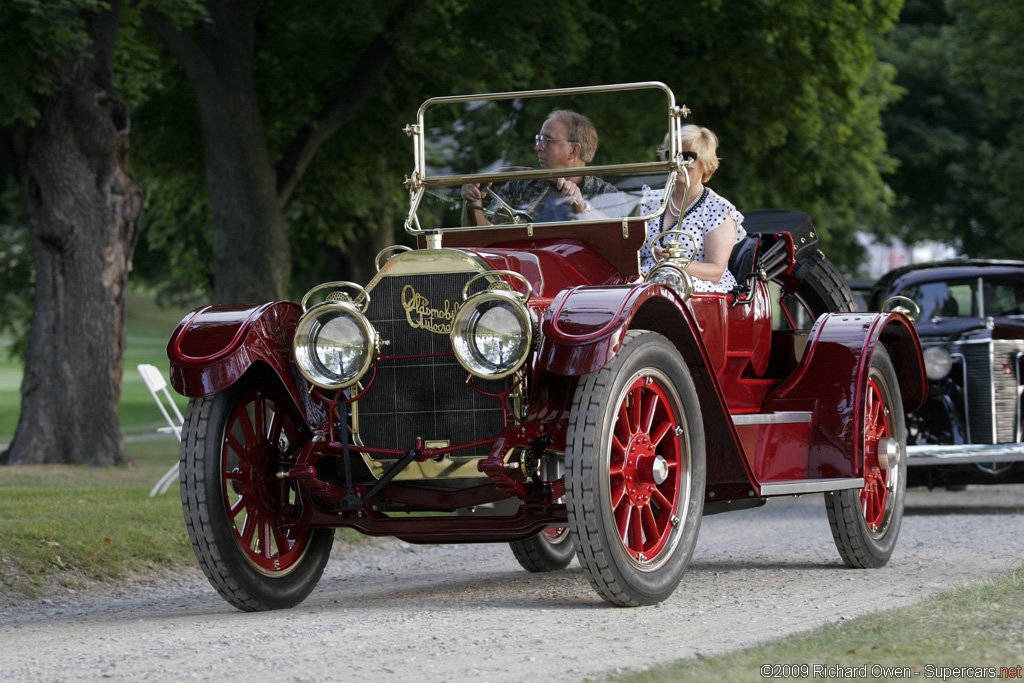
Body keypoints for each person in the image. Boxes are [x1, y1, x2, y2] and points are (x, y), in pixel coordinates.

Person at [461, 110, 617, 226]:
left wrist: (580, 205)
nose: (537, 148)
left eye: (546, 140)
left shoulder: (606, 193)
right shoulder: (520, 185)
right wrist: (473, 200)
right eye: (538, 139)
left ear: (574, 151)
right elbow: (484, 237)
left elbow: (618, 236)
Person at [639, 125, 746, 293]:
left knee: (670, 290)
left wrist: (674, 264)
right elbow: (630, 249)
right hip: (646, 283)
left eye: (688, 156)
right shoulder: (649, 200)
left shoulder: (717, 209)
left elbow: (715, 271)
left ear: (705, 161)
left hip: (694, 290)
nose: (678, 161)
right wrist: (582, 204)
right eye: (672, 155)